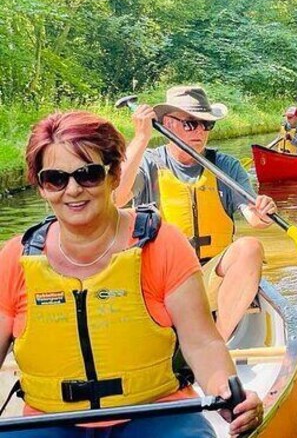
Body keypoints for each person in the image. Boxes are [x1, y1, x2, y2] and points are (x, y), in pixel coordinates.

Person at [0, 111, 262, 437]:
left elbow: (203, 344)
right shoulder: (15, 259)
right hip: (48, 420)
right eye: (55, 179)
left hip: (158, 413)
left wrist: (226, 392)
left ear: (114, 175)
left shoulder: (161, 244)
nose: (72, 190)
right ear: (41, 186)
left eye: (88, 174)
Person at [114, 86, 277, 341]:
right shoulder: (147, 162)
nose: (200, 131)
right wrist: (141, 138)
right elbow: (115, 198)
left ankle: (218, 341)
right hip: (161, 284)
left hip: (208, 278)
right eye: (191, 124)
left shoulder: (225, 166)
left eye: (206, 124)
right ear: (167, 123)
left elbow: (254, 218)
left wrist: (264, 212)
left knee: (250, 248)